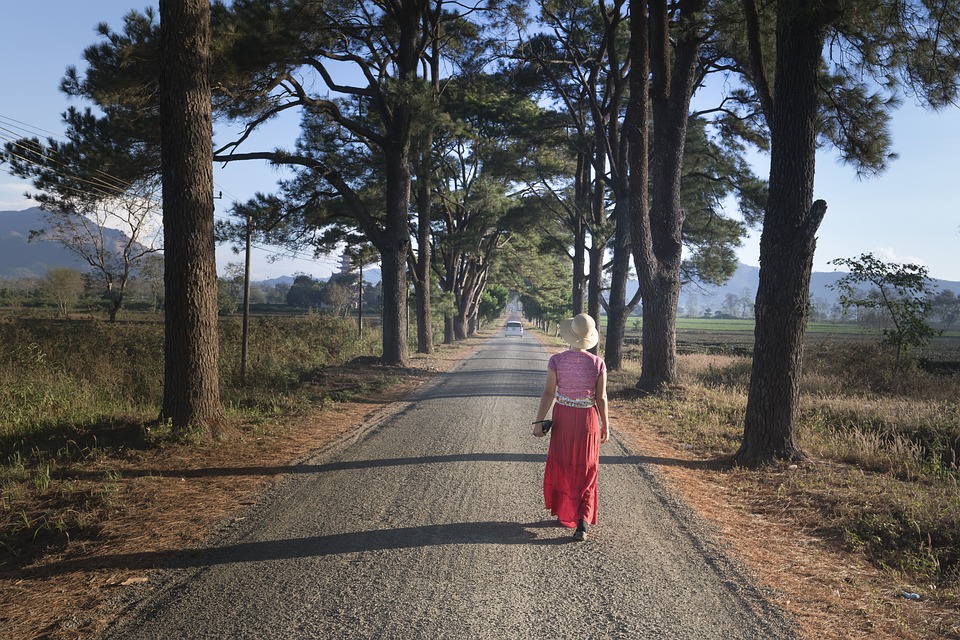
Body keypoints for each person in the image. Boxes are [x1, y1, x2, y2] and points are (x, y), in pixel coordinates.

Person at [532, 313, 609, 541]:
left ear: (570, 335)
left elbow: (548, 393)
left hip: (563, 417)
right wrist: (606, 424)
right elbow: (601, 397)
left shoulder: (556, 360)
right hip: (588, 420)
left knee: (564, 465)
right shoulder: (598, 363)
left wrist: (539, 422)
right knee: (587, 468)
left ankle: (566, 510)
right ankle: (583, 520)